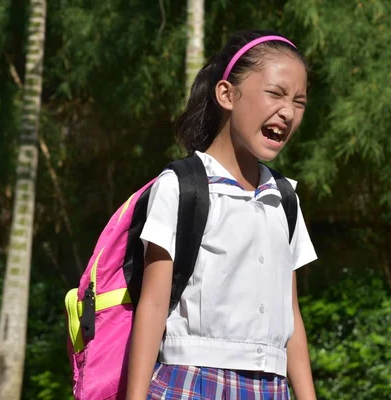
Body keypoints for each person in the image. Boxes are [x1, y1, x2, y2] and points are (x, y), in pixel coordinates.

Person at [126, 29, 318, 400]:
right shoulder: (181, 186)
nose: (288, 112)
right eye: (276, 93)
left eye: (299, 102)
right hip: (192, 383)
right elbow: (152, 304)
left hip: (274, 389)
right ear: (227, 94)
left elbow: (290, 313)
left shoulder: (285, 198)